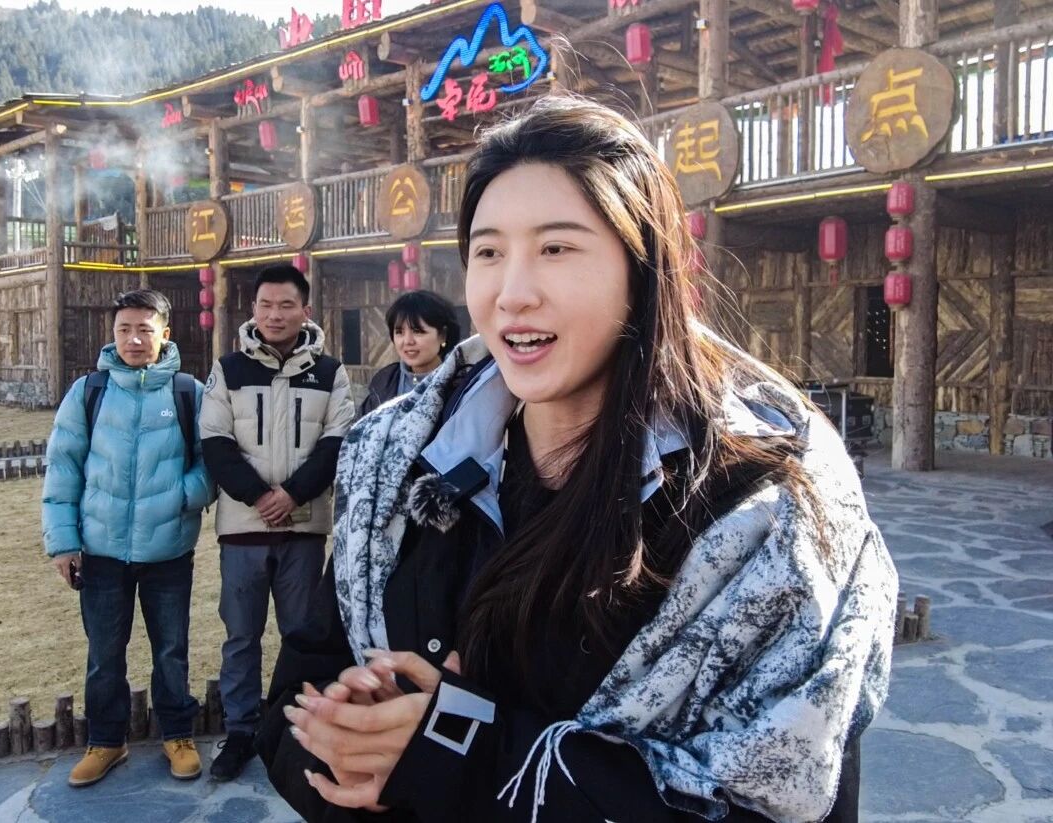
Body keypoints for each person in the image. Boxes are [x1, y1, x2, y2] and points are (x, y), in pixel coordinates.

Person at [258, 97, 897, 822]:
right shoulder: (402, 463)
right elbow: (301, 685)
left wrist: (455, 756)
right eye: (489, 252)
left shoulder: (757, 516)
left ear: (643, 270)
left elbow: (778, 802)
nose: (512, 293)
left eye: (556, 249)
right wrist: (351, 758)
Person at [42, 289, 216, 787]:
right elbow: (63, 467)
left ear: (165, 334)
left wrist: (181, 496)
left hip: (168, 550)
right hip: (101, 550)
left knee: (171, 651)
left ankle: (177, 735)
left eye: (144, 329)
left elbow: (212, 461)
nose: (134, 340)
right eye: (124, 330)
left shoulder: (187, 392)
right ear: (113, 334)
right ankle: (106, 742)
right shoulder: (89, 392)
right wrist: (63, 542)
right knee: (104, 655)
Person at [200, 264, 355, 782]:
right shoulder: (228, 369)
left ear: (305, 311)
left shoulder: (330, 373)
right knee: (241, 637)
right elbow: (216, 443)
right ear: (253, 309)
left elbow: (337, 442)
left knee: (301, 636)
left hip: (303, 531)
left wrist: (291, 495)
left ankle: (294, 733)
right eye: (266, 304)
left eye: (286, 305)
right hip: (242, 529)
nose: (275, 314)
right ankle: (240, 732)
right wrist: (260, 496)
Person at [360, 290, 462, 417]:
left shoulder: (460, 385)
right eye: (399, 332)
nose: (408, 341)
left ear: (442, 335)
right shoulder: (383, 383)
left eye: (418, 331)